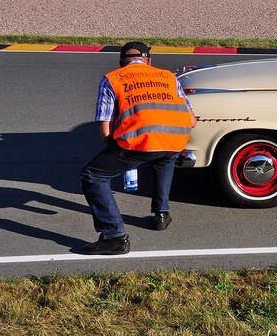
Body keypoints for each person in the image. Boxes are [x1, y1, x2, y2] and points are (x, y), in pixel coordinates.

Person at [77, 41, 197, 255]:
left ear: (121, 62)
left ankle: (114, 237)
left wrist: (113, 150)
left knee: (93, 176)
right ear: (149, 61)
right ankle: (161, 214)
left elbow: (105, 126)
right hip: (175, 140)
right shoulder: (169, 77)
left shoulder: (112, 79)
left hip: (138, 141)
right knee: (165, 158)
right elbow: (192, 120)